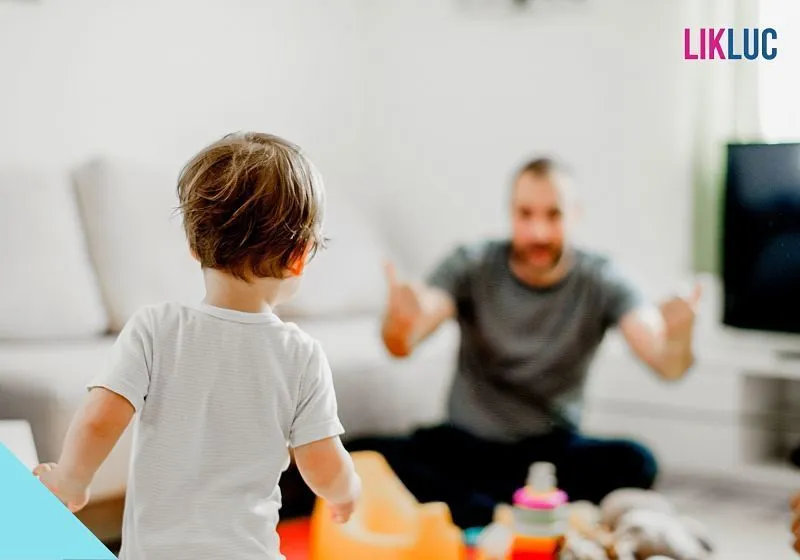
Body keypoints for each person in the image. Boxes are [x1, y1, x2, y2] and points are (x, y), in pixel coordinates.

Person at [33, 132, 361, 560]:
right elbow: (322, 463)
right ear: (298, 257)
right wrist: (346, 491)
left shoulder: (155, 327)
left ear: (194, 246)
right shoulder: (300, 356)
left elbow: (99, 420)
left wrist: (72, 479)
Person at [348, 157, 701, 530]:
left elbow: (665, 361)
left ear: (575, 215)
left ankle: (483, 507)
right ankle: (519, 511)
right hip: (465, 447)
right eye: (526, 215)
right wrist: (401, 322)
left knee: (637, 462)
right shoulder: (471, 264)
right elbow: (405, 341)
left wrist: (678, 339)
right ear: (510, 214)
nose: (538, 232)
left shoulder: (603, 279)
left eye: (554, 215)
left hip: (549, 454)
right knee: (358, 455)